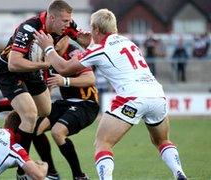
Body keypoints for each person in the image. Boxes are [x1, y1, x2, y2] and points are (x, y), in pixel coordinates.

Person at [33, 8, 187, 180]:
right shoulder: (128, 42)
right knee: (162, 140)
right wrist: (84, 41)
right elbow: (100, 50)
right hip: (157, 96)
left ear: (97, 30)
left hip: (132, 98)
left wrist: (48, 48)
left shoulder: (100, 49)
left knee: (102, 143)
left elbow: (63, 68)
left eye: (92, 28)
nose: (90, 31)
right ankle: (179, 172)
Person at [0, 0, 91, 176]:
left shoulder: (67, 26)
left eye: (70, 21)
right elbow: (14, 64)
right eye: (65, 21)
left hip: (34, 70)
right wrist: (46, 64)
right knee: (30, 116)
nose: (68, 25)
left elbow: (85, 41)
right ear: (52, 18)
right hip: (9, 72)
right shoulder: (29, 28)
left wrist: (96, 38)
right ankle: (22, 172)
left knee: (45, 110)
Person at [0, 36, 98, 180]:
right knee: (35, 129)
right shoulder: (48, 57)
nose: (55, 42)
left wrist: (65, 81)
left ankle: (79, 176)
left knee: (58, 132)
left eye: (59, 39)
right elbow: (43, 94)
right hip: (65, 103)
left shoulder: (73, 53)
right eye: (53, 39)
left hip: (86, 103)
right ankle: (52, 173)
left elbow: (90, 78)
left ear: (67, 38)